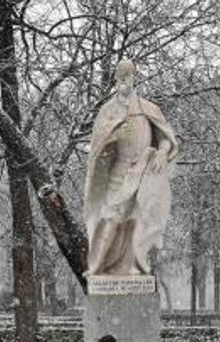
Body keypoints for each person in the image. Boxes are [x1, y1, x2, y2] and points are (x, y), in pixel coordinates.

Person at [82, 59, 179, 276]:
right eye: (122, 77)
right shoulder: (108, 110)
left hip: (145, 169)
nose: (126, 81)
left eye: (130, 76)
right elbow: (99, 147)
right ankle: (100, 265)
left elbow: (165, 138)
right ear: (116, 80)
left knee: (140, 216)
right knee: (110, 215)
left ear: (135, 78)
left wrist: (162, 153)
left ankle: (134, 264)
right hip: (120, 167)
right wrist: (112, 136)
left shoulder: (148, 108)